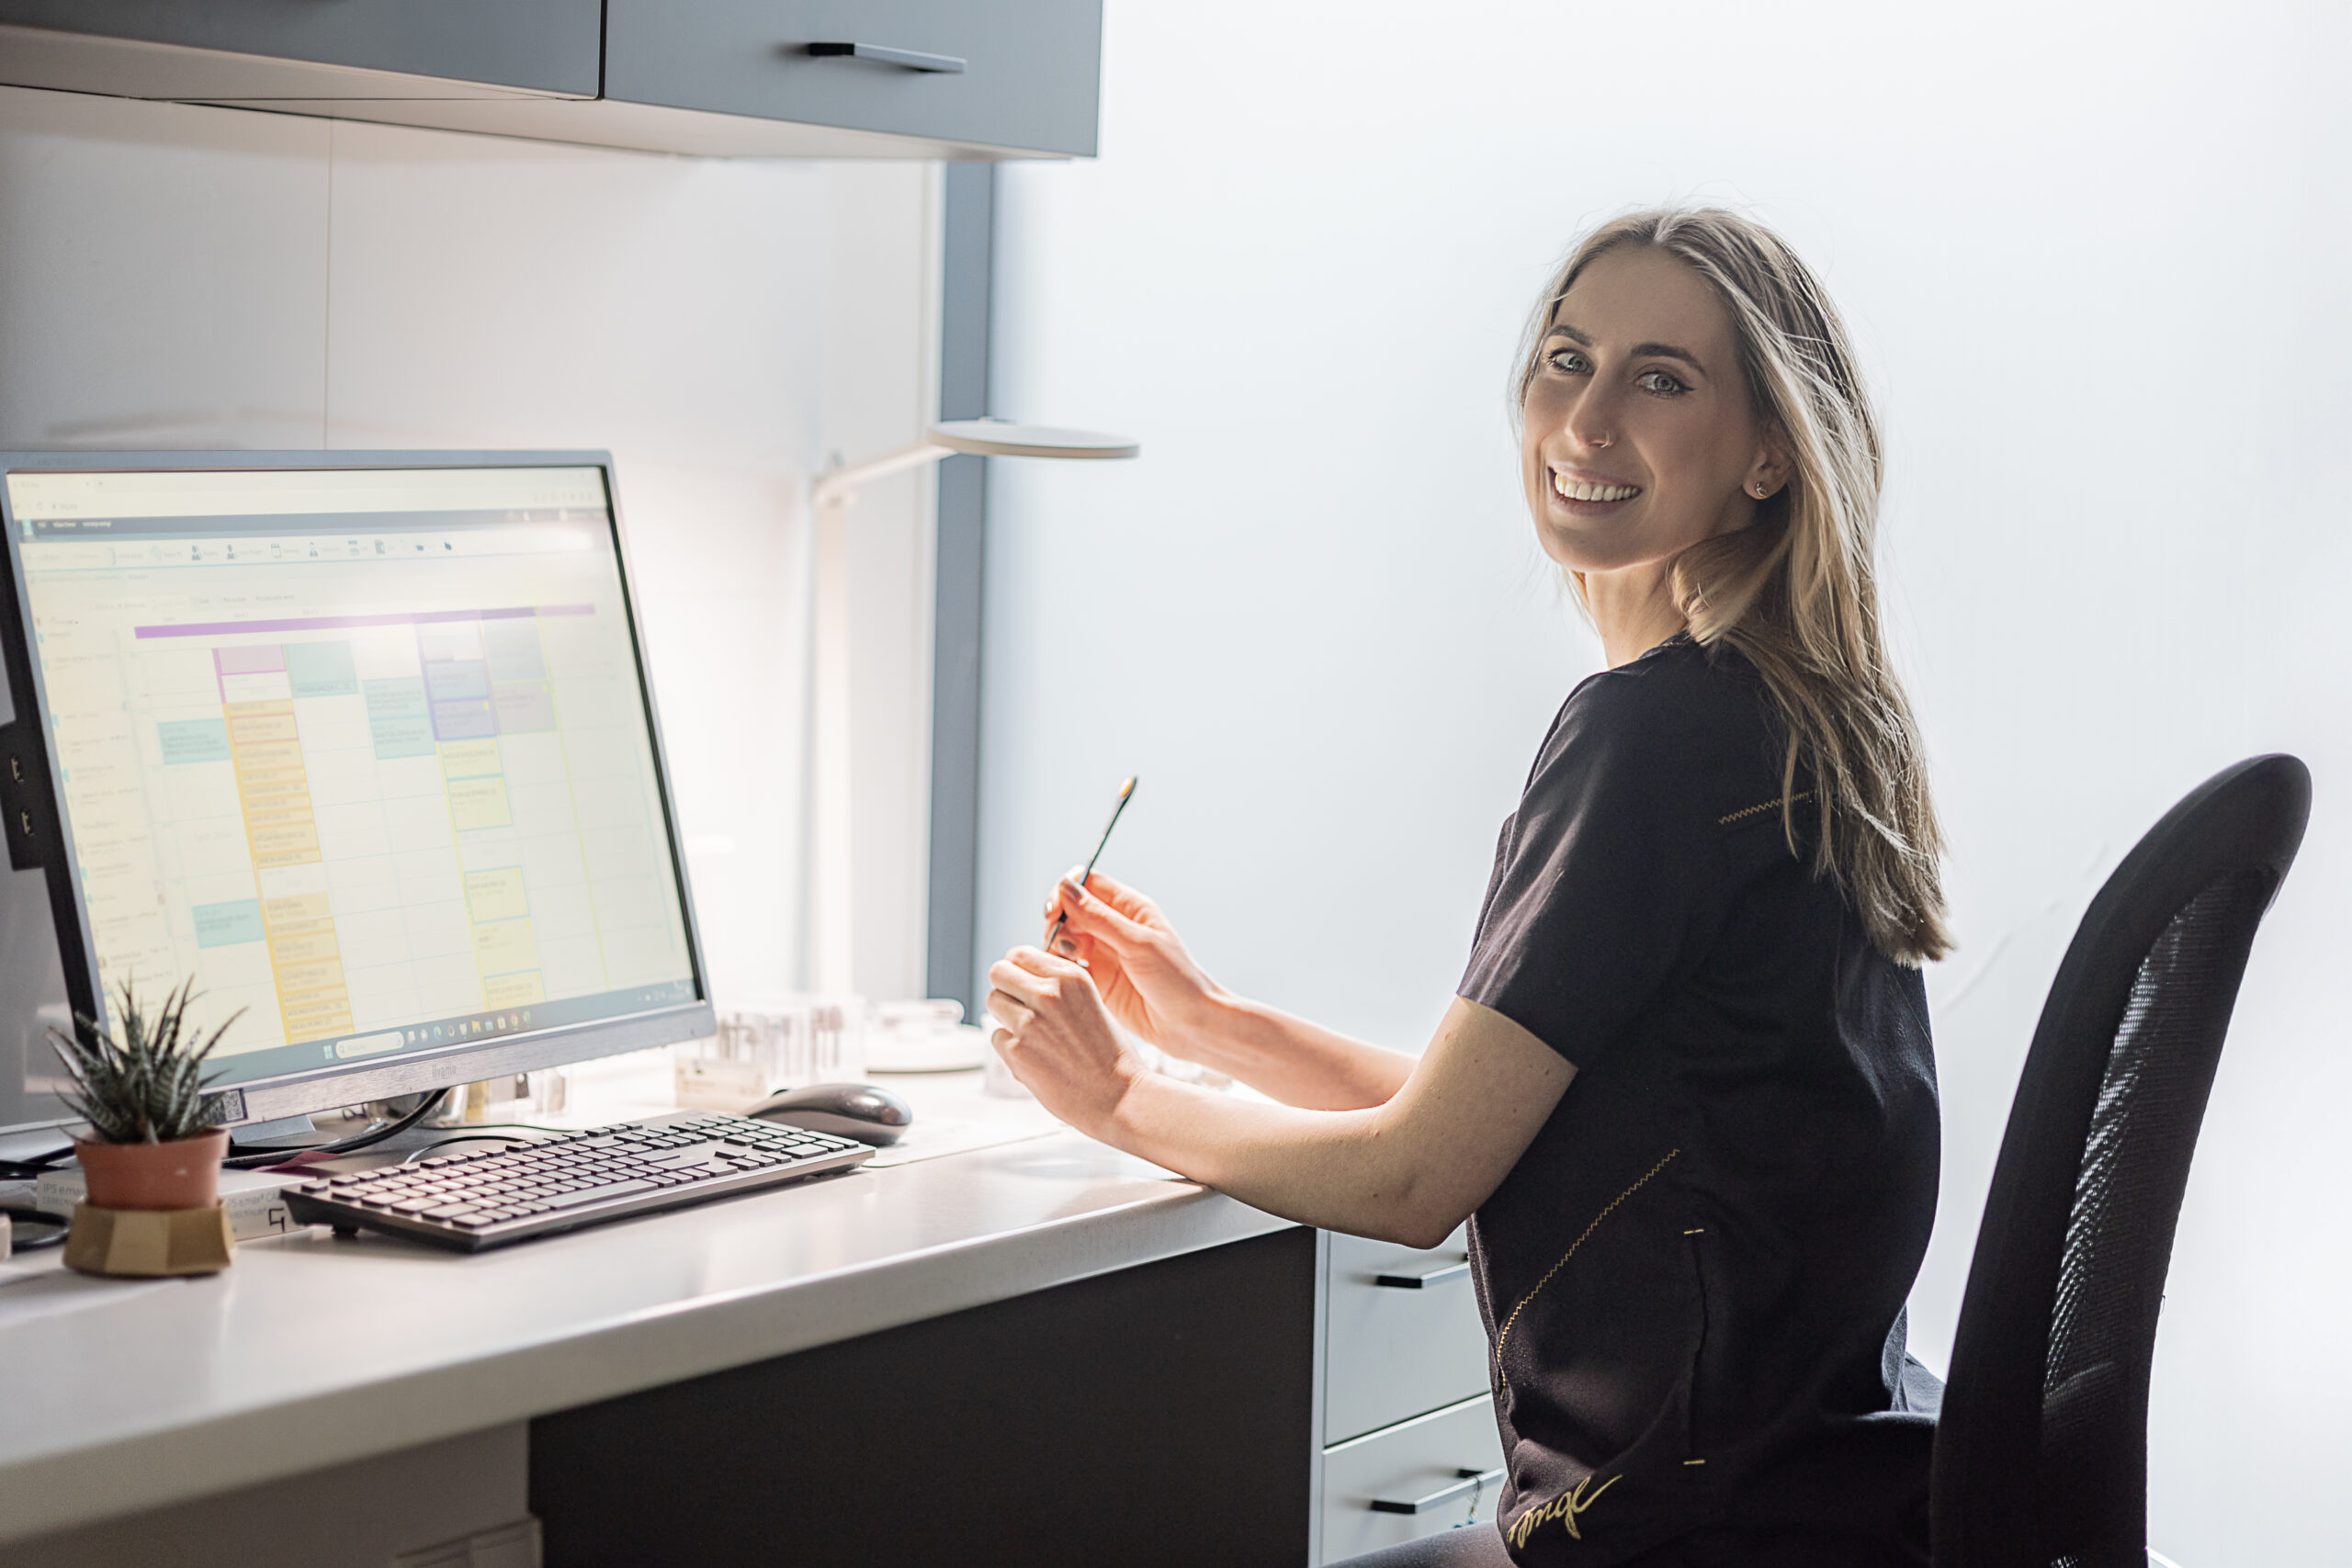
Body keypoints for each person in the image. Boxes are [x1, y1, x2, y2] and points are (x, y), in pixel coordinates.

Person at [984, 207, 1951, 1568]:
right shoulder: (1790, 723)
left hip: (1687, 1527)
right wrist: (1207, 1024)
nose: (1587, 421)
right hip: (1828, 1493)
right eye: (1566, 360)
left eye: (1660, 380)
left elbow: (1417, 1181)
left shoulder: (1654, 740)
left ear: (1772, 455)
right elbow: (1514, 1119)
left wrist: (1117, 1098)